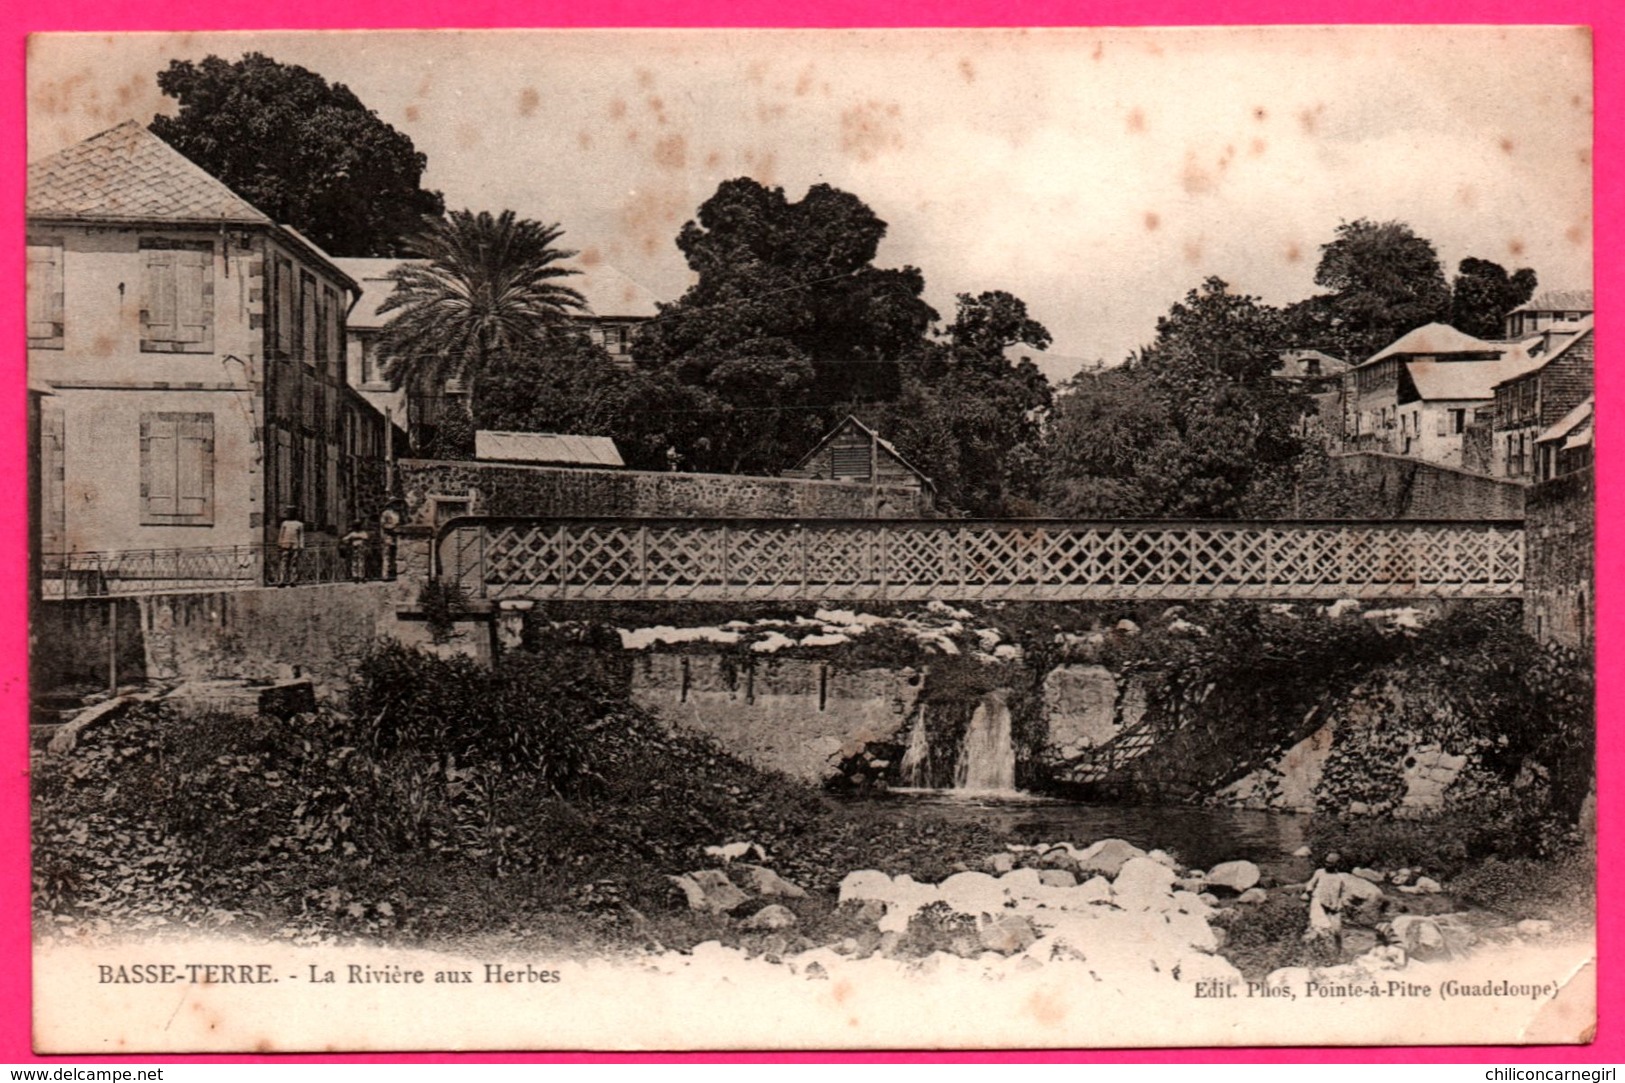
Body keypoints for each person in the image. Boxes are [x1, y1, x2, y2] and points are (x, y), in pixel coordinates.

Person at [275, 507, 304, 587]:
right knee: (283, 563)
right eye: (288, 512)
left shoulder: (299, 524)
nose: (290, 514)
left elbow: (301, 536)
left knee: (294, 563)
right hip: (285, 545)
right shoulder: (284, 523)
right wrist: (279, 544)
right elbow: (281, 535)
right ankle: (281, 580)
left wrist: (301, 546)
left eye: (291, 512)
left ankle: (293, 580)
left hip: (295, 546)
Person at [378, 501, 403, 580]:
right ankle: (385, 575)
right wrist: (392, 527)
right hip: (387, 536)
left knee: (394, 555)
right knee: (386, 555)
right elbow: (383, 524)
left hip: (395, 536)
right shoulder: (386, 513)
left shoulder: (397, 513)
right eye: (395, 504)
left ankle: (393, 573)